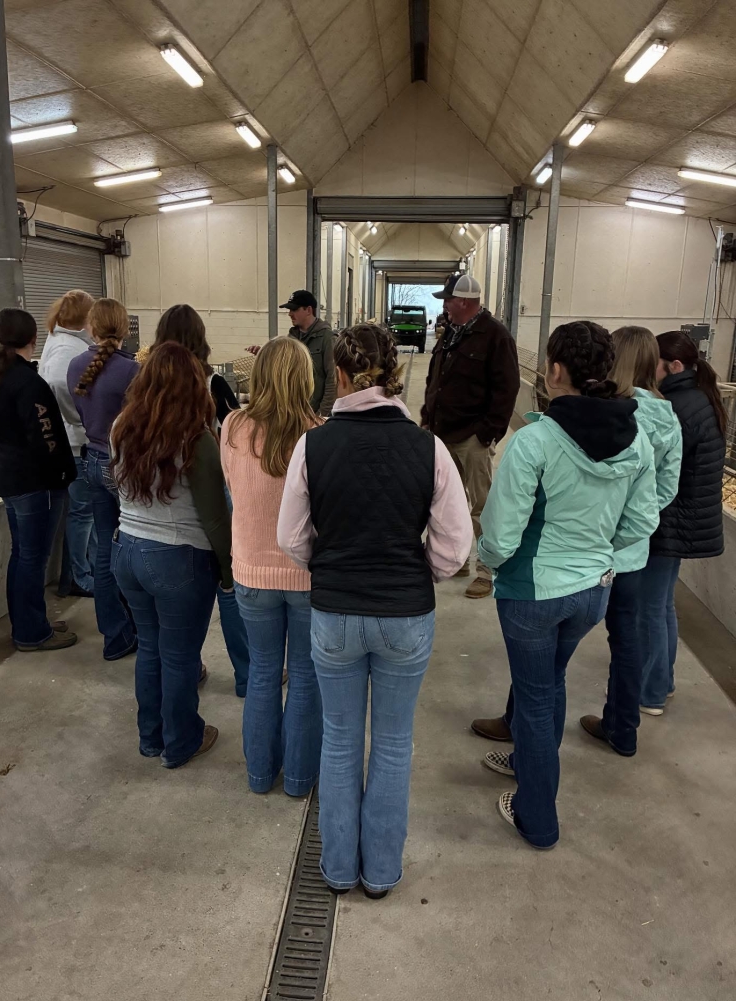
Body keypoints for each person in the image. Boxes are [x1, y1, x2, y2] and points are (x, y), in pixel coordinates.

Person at [278, 324, 473, 899]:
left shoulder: (312, 445)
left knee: (339, 741)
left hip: (335, 612)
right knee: (392, 743)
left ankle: (337, 869)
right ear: (397, 375)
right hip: (405, 615)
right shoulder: (429, 446)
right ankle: (381, 872)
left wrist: (329, 563)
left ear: (337, 375)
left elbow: (290, 537)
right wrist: (422, 574)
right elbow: (455, 545)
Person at [476, 321, 659, 850]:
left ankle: (537, 816)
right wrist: (601, 556)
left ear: (555, 370)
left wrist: (491, 563)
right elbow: (640, 520)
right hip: (592, 591)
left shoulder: (535, 441)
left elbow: (501, 532)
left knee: (534, 699)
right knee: (549, 683)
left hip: (534, 592)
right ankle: (526, 766)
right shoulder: (638, 439)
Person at [110, 342, 230, 768]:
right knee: (179, 656)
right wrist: (228, 571)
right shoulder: (196, 437)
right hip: (178, 559)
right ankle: (182, 741)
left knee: (151, 649)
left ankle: (152, 737)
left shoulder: (122, 425)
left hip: (126, 550)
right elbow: (215, 517)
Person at [221, 337, 323, 797]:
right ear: (305, 378)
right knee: (304, 676)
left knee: (263, 672)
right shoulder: (319, 433)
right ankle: (299, 782)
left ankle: (259, 776)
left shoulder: (232, 427)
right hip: (305, 576)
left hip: (250, 572)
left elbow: (233, 488)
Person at [577, 327, 682, 753]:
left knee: (550, 637)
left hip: (588, 545)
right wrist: (634, 523)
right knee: (628, 638)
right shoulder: (669, 415)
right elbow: (666, 488)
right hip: (634, 551)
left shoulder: (609, 410)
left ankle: (521, 723)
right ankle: (622, 728)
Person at [152, 304, 249, 697]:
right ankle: (248, 672)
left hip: (153, 512)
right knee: (229, 585)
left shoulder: (147, 386)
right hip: (205, 500)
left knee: (169, 627)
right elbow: (237, 431)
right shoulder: (210, 384)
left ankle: (188, 671)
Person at [637, 330, 727, 716]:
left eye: (653, 365)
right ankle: (664, 681)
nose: (649, 373)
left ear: (673, 366)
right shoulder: (700, 398)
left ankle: (651, 693)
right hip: (685, 518)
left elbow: (656, 466)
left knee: (650, 609)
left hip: (670, 519)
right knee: (662, 606)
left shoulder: (675, 406)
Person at [0, 309, 77, 651]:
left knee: (23, 555)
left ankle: (28, 622)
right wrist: (64, 474)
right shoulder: (28, 382)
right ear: (34, 339)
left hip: (8, 475)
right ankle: (32, 633)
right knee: (32, 558)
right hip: (35, 481)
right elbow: (47, 437)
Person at [421, 273, 520, 599]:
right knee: (449, 503)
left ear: (463, 301)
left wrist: (486, 433)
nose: (444, 305)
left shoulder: (495, 336)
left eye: (448, 299)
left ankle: (486, 571)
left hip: (471, 438)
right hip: (442, 433)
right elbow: (436, 379)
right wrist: (426, 418)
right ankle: (459, 558)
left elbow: (507, 389)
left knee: (482, 507)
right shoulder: (452, 332)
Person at [68, 298, 138, 661]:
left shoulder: (75, 365)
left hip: (92, 461)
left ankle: (115, 633)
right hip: (123, 465)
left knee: (104, 548)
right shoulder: (132, 371)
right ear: (124, 329)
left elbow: (80, 411)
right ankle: (140, 623)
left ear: (91, 328)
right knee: (135, 546)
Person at [39, 290, 96, 599]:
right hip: (75, 443)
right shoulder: (67, 347)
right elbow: (60, 385)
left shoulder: (58, 339)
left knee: (80, 512)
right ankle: (79, 577)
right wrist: (81, 418)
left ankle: (76, 573)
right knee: (82, 513)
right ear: (85, 318)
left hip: (71, 440)